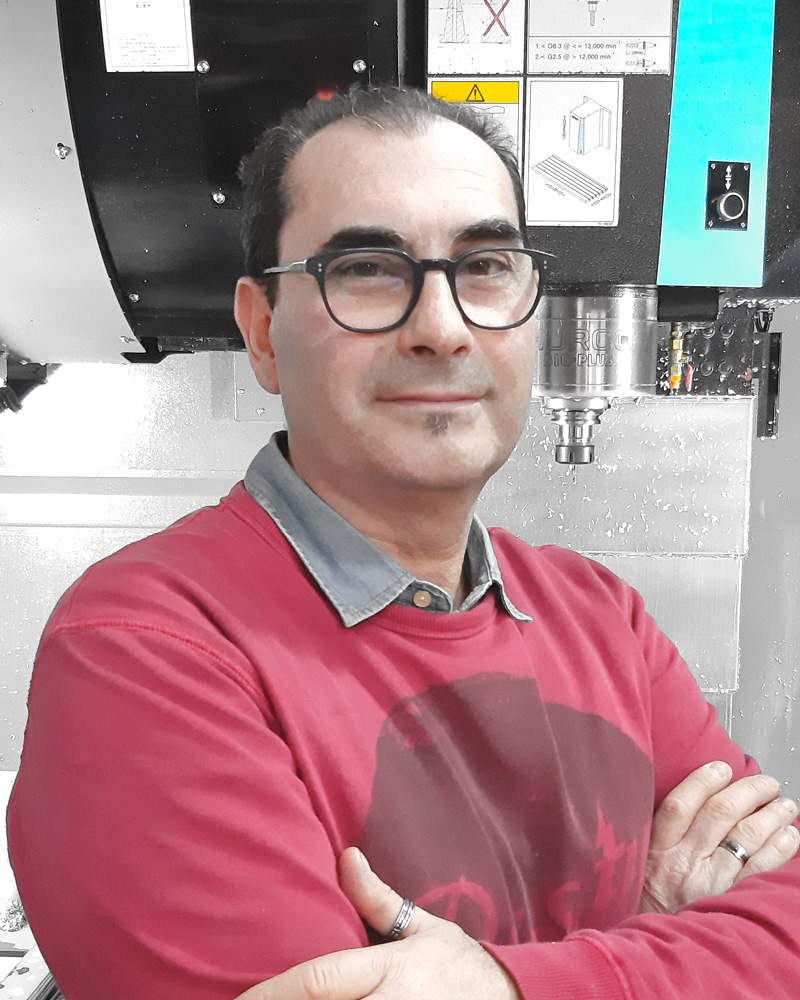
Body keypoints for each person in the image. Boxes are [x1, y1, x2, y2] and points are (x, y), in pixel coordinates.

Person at [7, 86, 800, 1000]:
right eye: (368, 270)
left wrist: (511, 985)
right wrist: (660, 930)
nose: (442, 328)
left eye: (486, 265)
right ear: (262, 332)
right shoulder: (148, 649)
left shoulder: (601, 617)